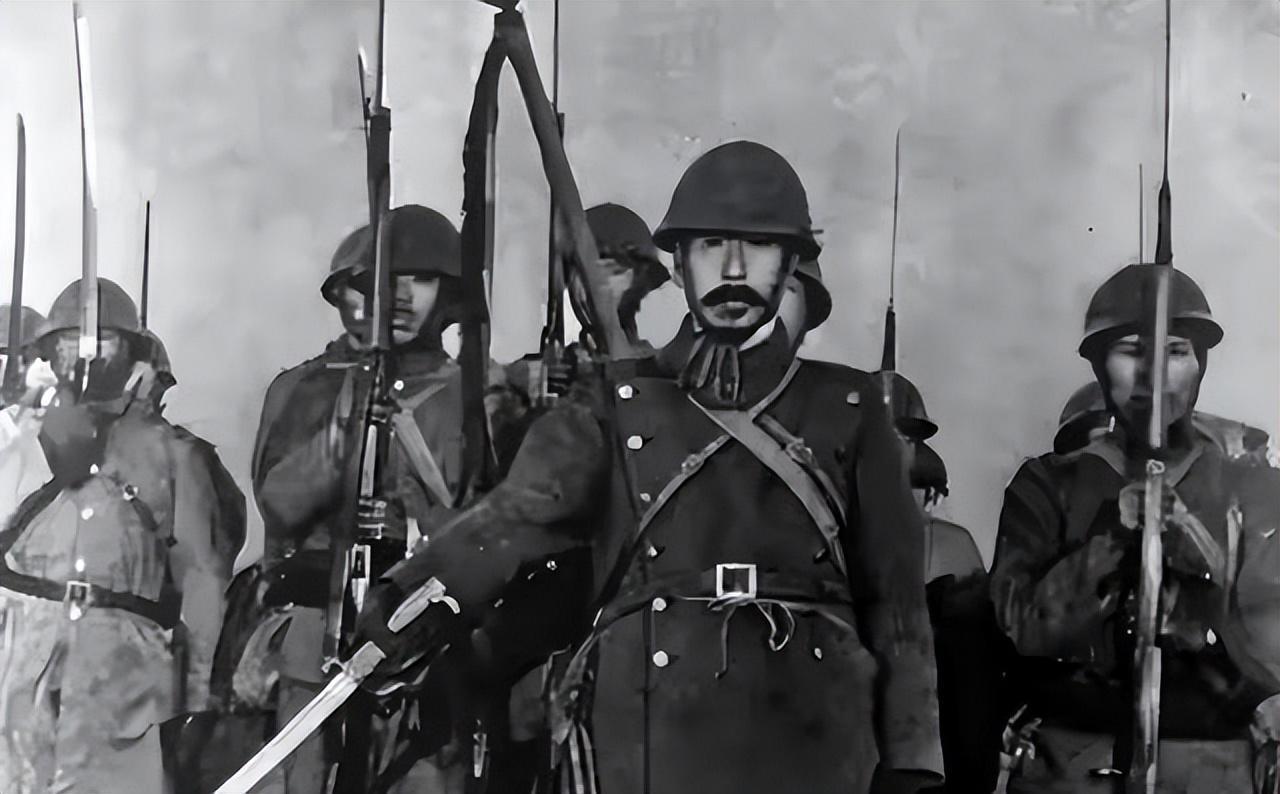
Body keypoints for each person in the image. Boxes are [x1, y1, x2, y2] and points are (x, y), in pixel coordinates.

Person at [355, 140, 945, 794]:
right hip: (650, 729)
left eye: (759, 246)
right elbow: (513, 519)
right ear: (680, 261)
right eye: (710, 245)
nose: (733, 268)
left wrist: (914, 764)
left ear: (790, 263)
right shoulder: (610, 402)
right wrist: (404, 605)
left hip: (814, 734)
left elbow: (898, 608)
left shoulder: (850, 409)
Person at [989, 264, 1280, 793]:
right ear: (1099, 365)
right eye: (1131, 352)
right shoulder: (1048, 485)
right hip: (1072, 762)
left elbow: (1271, 645)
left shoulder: (1254, 488)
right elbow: (1020, 629)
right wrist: (1109, 543)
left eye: (1176, 352)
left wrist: (1194, 549)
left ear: (1201, 363)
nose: (1154, 376)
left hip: (1212, 767)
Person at [236, 204, 489, 793]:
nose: (399, 295)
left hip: (424, 646)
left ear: (449, 294)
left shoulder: (476, 397)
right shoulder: (306, 388)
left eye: (420, 279)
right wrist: (343, 437)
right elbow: (280, 507)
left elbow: (491, 524)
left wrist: (414, 525)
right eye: (385, 278)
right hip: (316, 641)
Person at [0, 278, 240, 794]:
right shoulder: (20, 434)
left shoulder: (176, 456)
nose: (85, 357)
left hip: (122, 659)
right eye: (70, 343)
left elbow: (201, 575)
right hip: (23, 650)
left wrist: (193, 696)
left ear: (130, 352)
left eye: (102, 343)